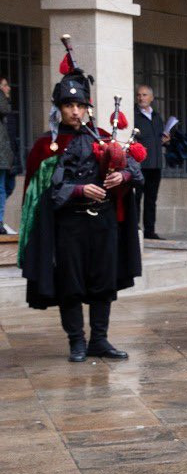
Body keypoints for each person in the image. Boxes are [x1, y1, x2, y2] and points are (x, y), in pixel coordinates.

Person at [20, 48, 143, 361]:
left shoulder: (103, 138)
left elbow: (136, 172)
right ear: (59, 109)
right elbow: (45, 192)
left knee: (104, 282)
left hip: (102, 222)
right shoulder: (45, 146)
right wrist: (78, 190)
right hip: (68, 225)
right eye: (69, 105)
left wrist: (124, 176)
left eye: (80, 105)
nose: (75, 111)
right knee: (71, 284)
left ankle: (99, 340)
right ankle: (77, 341)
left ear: (89, 108)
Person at [130, 84, 166, 239]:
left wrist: (165, 140)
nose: (141, 98)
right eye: (139, 95)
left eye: (144, 95)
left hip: (155, 165)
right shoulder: (134, 115)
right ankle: (135, 229)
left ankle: (149, 231)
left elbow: (159, 137)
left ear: (151, 98)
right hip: (140, 165)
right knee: (136, 198)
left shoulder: (157, 117)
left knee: (151, 200)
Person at [0, 75, 19, 234]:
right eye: (4, 85)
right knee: (1, 188)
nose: (8, 88)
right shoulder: (3, 106)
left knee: (9, 186)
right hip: (2, 157)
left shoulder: (6, 109)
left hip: (8, 156)